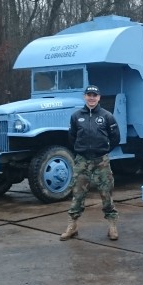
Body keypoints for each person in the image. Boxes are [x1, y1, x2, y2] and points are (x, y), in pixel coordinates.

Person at [60, 85, 121, 241]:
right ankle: (72, 226)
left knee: (106, 193)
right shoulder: (76, 116)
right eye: (89, 95)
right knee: (77, 194)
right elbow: (72, 137)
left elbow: (115, 137)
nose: (92, 98)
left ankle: (112, 226)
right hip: (82, 161)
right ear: (84, 97)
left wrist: (103, 150)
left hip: (101, 161)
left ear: (99, 97)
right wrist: (81, 150)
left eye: (94, 95)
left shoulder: (107, 116)